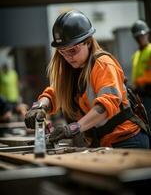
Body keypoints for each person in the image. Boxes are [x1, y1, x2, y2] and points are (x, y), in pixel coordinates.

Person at [25, 10, 150, 148]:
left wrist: (72, 128)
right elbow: (54, 93)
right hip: (104, 144)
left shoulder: (103, 64)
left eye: (73, 50)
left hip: (128, 140)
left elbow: (105, 106)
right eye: (62, 52)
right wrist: (40, 107)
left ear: (88, 42)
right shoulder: (73, 70)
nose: (68, 57)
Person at [131, 20, 151, 130]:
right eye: (138, 36)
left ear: (147, 34)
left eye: (143, 35)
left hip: (149, 93)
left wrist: (138, 83)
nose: (141, 38)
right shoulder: (136, 55)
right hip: (139, 95)